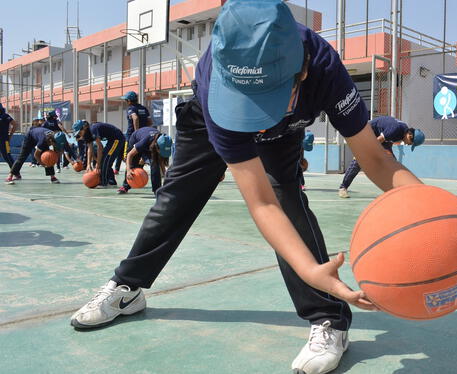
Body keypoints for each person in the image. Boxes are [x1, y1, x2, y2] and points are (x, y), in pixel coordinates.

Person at [70, 2, 424, 374]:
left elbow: (376, 158)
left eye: (267, 98)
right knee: (176, 197)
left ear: (301, 73)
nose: (255, 115)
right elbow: (260, 204)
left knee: (287, 198)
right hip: (217, 117)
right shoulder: (214, 85)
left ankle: (329, 319)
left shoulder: (323, 69)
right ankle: (127, 288)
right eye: (247, 99)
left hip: (283, 132)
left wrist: (431, 210)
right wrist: (308, 268)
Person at [338, 116, 425, 198]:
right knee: (359, 161)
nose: (407, 144)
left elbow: (389, 139)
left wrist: (389, 156)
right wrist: (362, 152)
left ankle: (393, 189)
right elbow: (378, 140)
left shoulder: (403, 130)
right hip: (369, 133)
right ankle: (343, 187)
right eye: (410, 143)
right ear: (409, 135)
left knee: (392, 163)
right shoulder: (396, 129)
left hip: (382, 138)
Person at [117, 126, 172, 195]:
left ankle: (157, 190)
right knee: (133, 165)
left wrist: (165, 175)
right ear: (157, 147)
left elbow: (160, 161)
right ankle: (125, 186)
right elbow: (129, 155)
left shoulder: (164, 141)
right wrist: (128, 170)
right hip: (136, 139)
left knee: (155, 165)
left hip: (150, 144)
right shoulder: (144, 142)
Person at [72, 120, 125, 188]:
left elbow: (100, 147)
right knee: (105, 159)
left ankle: (103, 182)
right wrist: (88, 164)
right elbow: (89, 149)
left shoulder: (93, 129)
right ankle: (111, 181)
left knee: (106, 159)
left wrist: (98, 164)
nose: (79, 135)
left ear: (84, 127)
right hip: (111, 140)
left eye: (79, 132)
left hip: (117, 139)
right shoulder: (86, 134)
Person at [113, 91, 152, 174]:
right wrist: (144, 131)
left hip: (132, 136)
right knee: (140, 154)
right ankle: (138, 173)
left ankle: (129, 177)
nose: (125, 102)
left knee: (127, 157)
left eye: (126, 100)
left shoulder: (131, 108)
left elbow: (135, 118)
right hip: (144, 136)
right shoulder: (144, 108)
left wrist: (137, 132)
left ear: (129, 101)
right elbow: (150, 122)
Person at [0, 103, 17, 171]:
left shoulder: (5, 116)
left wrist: (10, 134)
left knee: (7, 155)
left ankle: (15, 172)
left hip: (5, 140)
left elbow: (14, 124)